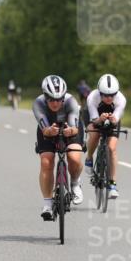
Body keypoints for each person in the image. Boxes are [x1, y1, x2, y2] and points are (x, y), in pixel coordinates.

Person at [33, 75, 84, 219]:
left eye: (58, 99)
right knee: (46, 161)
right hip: (48, 128)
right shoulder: (38, 103)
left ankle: (75, 183)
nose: (55, 103)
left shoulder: (71, 101)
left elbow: (75, 128)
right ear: (45, 96)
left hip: (70, 127)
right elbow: (45, 129)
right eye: (51, 99)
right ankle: (47, 204)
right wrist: (49, 131)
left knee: (74, 157)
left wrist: (70, 131)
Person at [84, 73, 126, 199]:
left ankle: (112, 184)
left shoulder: (121, 99)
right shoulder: (93, 97)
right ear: (99, 92)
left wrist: (113, 119)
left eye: (112, 95)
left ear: (116, 93)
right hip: (95, 116)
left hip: (112, 118)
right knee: (95, 135)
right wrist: (99, 119)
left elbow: (116, 119)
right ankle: (89, 158)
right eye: (105, 95)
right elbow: (94, 121)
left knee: (112, 148)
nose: (108, 98)